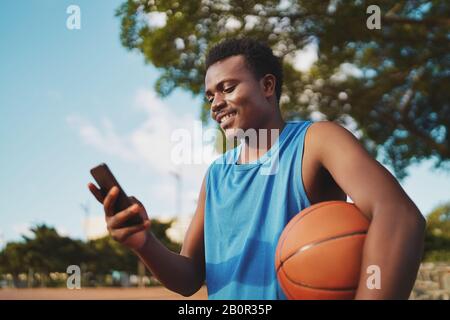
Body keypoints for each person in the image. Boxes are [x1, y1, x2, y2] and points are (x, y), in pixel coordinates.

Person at [88, 38, 426, 300]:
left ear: (267, 87)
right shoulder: (217, 175)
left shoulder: (317, 141)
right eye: (209, 96)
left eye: (228, 87)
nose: (216, 103)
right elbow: (189, 278)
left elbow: (398, 215)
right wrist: (143, 243)